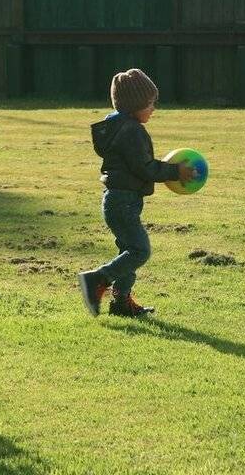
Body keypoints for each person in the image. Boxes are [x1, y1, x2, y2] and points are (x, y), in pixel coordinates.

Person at [78, 69, 193, 317]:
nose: (153, 109)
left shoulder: (118, 127)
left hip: (119, 201)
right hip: (123, 202)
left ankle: (121, 303)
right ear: (135, 105)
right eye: (150, 103)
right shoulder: (132, 131)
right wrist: (177, 172)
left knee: (127, 252)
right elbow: (145, 168)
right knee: (140, 251)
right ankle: (97, 280)